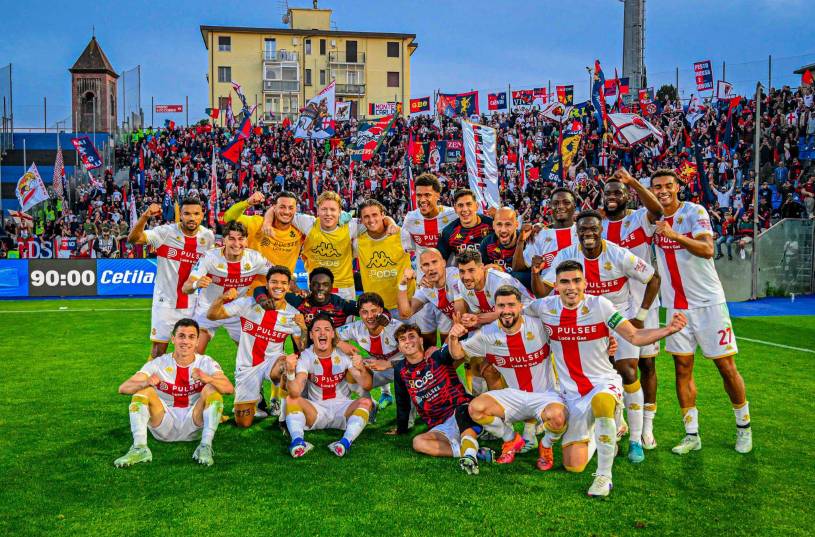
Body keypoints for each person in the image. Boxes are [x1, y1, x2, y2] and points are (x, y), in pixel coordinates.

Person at [526, 260, 687, 497]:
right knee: (573, 465)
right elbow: (510, 312)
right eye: (564, 282)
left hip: (602, 382)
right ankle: (612, 428)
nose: (571, 287)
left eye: (576, 281)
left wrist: (667, 330)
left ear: (585, 283)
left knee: (602, 401)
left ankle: (604, 477)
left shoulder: (600, 305)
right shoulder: (543, 307)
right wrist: (476, 320)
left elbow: (633, 335)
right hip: (570, 394)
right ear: (556, 286)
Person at [539, 210, 661, 463]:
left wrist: (640, 316)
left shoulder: (618, 254)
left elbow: (653, 277)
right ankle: (615, 430)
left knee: (628, 371)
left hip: (617, 318)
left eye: (593, 229)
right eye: (583, 230)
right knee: (602, 377)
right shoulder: (566, 256)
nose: (588, 234)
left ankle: (637, 439)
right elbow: (547, 290)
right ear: (577, 232)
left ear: (601, 230)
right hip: (587, 322)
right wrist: (535, 272)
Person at [649, 169, 752, 455]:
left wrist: (672, 234)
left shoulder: (694, 212)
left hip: (708, 304)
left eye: (668, 185)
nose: (663, 191)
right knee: (682, 368)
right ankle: (692, 434)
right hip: (676, 307)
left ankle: (744, 427)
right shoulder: (651, 220)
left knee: (726, 367)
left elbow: (708, 249)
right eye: (657, 187)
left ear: (678, 187)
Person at [448, 286, 567, 472]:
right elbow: (457, 354)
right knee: (475, 409)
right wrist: (453, 337)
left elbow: (571, 339)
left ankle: (546, 445)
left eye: (511, 304)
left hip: (545, 396)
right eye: (501, 305)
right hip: (513, 396)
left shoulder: (539, 326)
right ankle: (511, 439)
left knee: (558, 418)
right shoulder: (487, 335)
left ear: (521, 306)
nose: (506, 310)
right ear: (494, 309)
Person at [114, 319, 234, 467]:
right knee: (143, 391)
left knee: (212, 388)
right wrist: (146, 382)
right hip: (164, 423)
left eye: (191, 337)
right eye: (181, 336)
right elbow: (123, 388)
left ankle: (205, 446)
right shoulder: (158, 363)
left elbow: (229, 388)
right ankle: (140, 448)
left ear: (197, 341)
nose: (186, 341)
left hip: (194, 422)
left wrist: (207, 378)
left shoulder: (206, 362)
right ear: (173, 339)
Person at [601, 168, 664, 449]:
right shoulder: (598, 227)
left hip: (644, 304)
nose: (613, 196)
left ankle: (647, 427)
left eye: (618, 192)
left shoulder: (639, 219)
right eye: (608, 193)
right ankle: (620, 420)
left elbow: (658, 209)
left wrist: (632, 181)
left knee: (647, 364)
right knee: (614, 366)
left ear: (628, 196)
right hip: (612, 306)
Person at [206, 266, 306, 427]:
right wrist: (221, 299)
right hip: (247, 367)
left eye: (283, 283)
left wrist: (303, 328)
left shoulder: (292, 314)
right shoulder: (248, 304)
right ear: (266, 284)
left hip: (273, 362)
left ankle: (283, 411)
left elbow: (301, 347)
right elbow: (212, 315)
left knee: (288, 365)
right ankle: (256, 400)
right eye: (274, 282)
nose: (278, 286)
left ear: (288, 287)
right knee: (243, 423)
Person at [390, 323, 490, 475]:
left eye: (412, 336)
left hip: (462, 410)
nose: (408, 341)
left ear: (421, 341)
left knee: (464, 412)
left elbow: (452, 350)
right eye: (402, 339)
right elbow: (402, 400)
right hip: (439, 424)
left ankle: (472, 450)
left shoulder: (436, 356)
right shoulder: (401, 370)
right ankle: (469, 452)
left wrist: (458, 333)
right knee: (418, 442)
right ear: (399, 347)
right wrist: (401, 428)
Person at [264, 191, 396, 299]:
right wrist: (266, 224)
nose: (328, 214)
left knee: (343, 331)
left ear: (340, 211)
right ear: (317, 211)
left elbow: (380, 219)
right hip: (317, 288)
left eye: (333, 210)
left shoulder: (351, 225)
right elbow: (275, 209)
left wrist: (391, 224)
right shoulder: (308, 223)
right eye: (324, 209)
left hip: (344, 290)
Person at [127, 198, 215, 359]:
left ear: (202, 215)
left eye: (196, 214)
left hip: (192, 304)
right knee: (158, 352)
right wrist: (145, 216)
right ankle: (151, 384)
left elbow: (211, 264)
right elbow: (133, 239)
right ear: (180, 215)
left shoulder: (208, 237)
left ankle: (180, 383)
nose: (191, 218)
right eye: (187, 214)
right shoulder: (165, 232)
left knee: (189, 352)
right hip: (165, 303)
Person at [283, 314, 374, 458]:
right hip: (316, 411)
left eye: (327, 329)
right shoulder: (306, 356)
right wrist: (289, 372)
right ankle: (298, 442)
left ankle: (344, 442)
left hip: (342, 410)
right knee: (291, 400)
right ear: (312, 335)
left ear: (333, 334)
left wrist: (362, 368)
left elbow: (367, 385)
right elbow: (295, 392)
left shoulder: (344, 355)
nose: (322, 333)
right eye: (317, 330)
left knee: (366, 401)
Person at [183, 221, 270, 352]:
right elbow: (186, 288)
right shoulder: (210, 257)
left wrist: (296, 288)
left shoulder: (255, 258)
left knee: (254, 354)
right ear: (224, 240)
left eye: (241, 239)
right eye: (232, 239)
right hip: (208, 309)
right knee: (192, 354)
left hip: (236, 311)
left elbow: (279, 274)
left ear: (246, 241)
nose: (236, 244)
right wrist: (196, 284)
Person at [337, 292, 402, 411]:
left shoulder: (397, 329)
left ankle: (407, 424)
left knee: (407, 392)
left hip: (402, 368)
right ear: (359, 313)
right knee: (351, 372)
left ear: (381, 310)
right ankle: (371, 407)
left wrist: (388, 364)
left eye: (373, 311)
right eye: (364, 312)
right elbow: (330, 333)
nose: (370, 316)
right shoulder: (356, 328)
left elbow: (415, 359)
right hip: (378, 367)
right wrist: (340, 343)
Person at [396, 249, 462, 349]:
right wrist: (403, 284)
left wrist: (445, 346)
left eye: (434, 262)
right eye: (426, 265)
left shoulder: (455, 277)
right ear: (421, 269)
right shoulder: (425, 287)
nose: (431, 268)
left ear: (443, 263)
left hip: (479, 324)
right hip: (464, 327)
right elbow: (405, 314)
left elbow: (460, 315)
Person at [355, 199, 413, 312]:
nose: (371, 220)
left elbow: (423, 250)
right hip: (375, 307)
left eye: (374, 215)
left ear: (383, 215)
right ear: (361, 220)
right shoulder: (358, 242)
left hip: (405, 303)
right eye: (366, 216)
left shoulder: (401, 235)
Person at [225, 190, 304, 272]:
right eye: (282, 207)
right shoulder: (258, 223)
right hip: (255, 284)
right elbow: (228, 218)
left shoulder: (300, 231)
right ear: (274, 207)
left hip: (283, 283)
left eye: (291, 208)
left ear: (296, 209)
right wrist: (247, 202)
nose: (286, 212)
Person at [401, 173, 458, 279]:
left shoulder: (453, 215)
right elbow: (408, 248)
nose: (422, 200)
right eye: (419, 195)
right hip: (425, 283)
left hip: (451, 281)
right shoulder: (410, 219)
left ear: (437, 195)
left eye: (427, 195)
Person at [513, 187, 578, 273]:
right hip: (546, 285)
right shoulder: (539, 233)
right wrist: (521, 241)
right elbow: (518, 267)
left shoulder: (584, 231)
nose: (561, 206)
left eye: (566, 203)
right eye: (556, 203)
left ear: (574, 206)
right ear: (550, 206)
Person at [479, 206, 530, 289]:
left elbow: (532, 278)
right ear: (493, 225)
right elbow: (479, 271)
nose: (503, 230)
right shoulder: (487, 243)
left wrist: (502, 273)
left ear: (516, 225)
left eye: (508, 224)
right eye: (499, 224)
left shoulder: (528, 241)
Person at [437, 189, 494, 263]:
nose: (464, 209)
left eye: (469, 204)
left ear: (476, 206)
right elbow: (439, 261)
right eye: (460, 205)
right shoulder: (448, 232)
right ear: (455, 209)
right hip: (465, 273)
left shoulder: (492, 225)